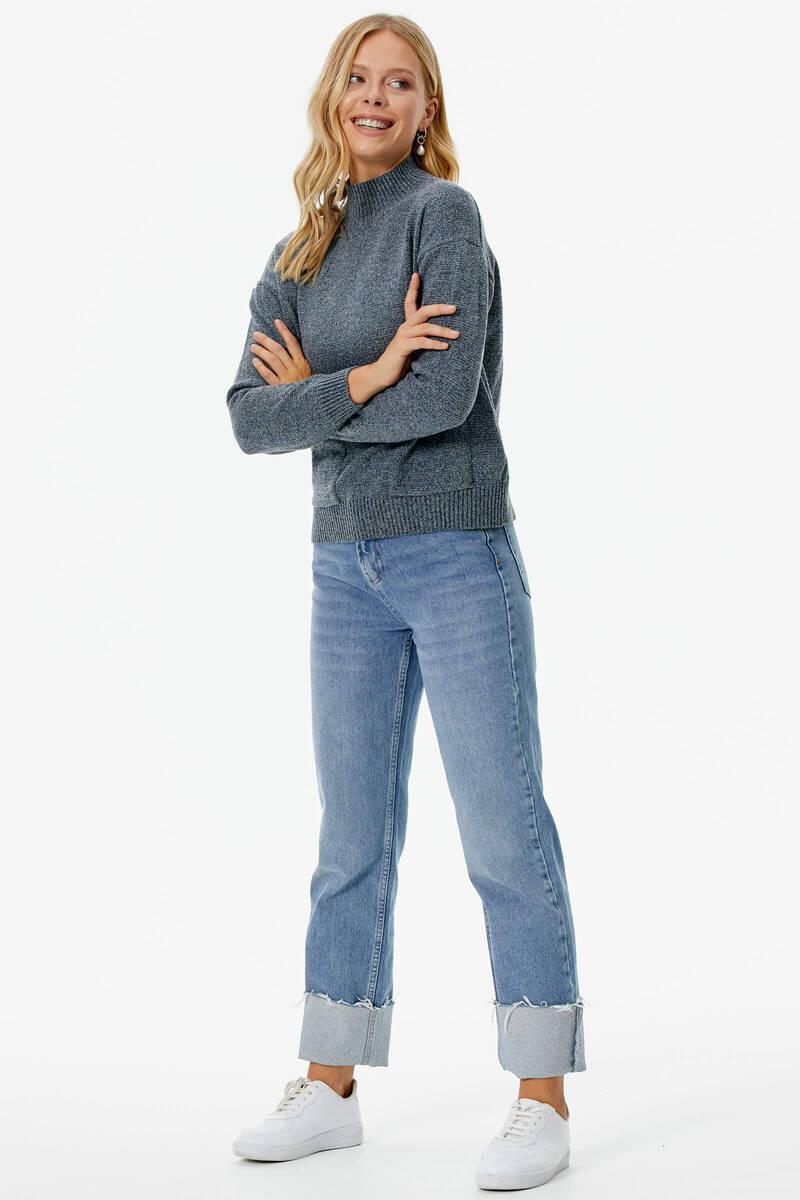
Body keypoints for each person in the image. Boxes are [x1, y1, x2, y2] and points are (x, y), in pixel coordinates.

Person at [225, 14, 587, 1191]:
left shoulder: (445, 217)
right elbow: (247, 419)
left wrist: (329, 393)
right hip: (345, 567)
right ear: (333, 97)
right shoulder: (298, 249)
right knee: (350, 838)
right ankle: (330, 1087)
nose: (374, 97)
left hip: (455, 552)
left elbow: (444, 399)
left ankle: (539, 1098)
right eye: (358, 78)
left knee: (501, 828)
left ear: (426, 108)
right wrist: (372, 370)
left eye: (399, 82)